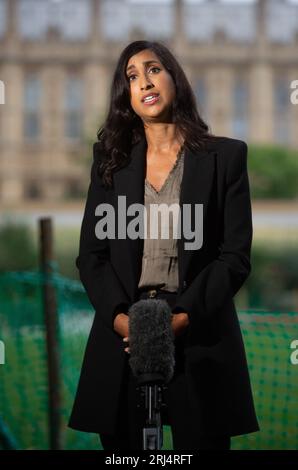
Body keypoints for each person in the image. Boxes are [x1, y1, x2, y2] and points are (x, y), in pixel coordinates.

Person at [68, 40, 260, 451]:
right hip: (123, 337)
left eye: (153, 69)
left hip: (201, 334)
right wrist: (124, 321)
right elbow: (92, 256)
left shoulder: (225, 157)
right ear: (127, 96)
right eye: (131, 77)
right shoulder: (110, 161)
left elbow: (234, 256)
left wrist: (182, 318)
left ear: (174, 77)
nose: (144, 82)